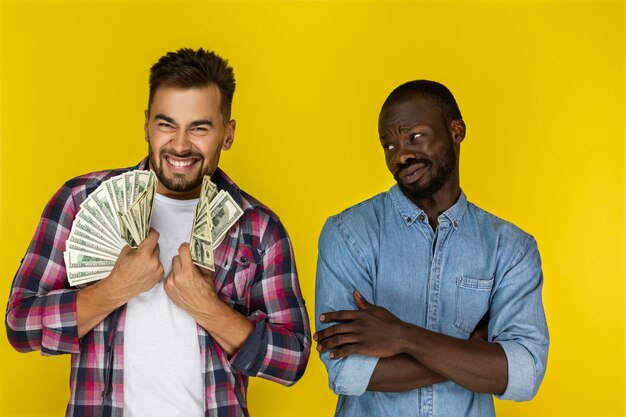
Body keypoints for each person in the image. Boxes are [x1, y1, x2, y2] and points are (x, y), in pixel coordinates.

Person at [6, 48, 311, 417]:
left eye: (199, 127)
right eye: (166, 124)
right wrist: (114, 289)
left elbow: (293, 359)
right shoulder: (78, 201)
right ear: (147, 124)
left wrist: (209, 309)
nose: (180, 145)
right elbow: (20, 326)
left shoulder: (258, 228)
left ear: (227, 134)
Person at [314, 80, 548, 416]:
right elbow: (347, 373)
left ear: (456, 131)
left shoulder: (510, 248)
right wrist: (474, 352)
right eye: (389, 145)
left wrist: (403, 336)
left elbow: (524, 375)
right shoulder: (348, 233)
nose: (402, 155)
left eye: (415, 136)